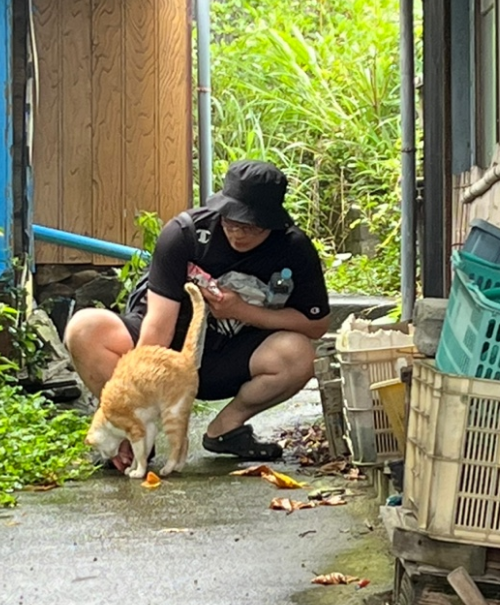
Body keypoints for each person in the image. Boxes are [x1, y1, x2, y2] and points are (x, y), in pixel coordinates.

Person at [64, 159, 331, 471]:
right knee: (84, 328)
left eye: (251, 227)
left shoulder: (293, 248)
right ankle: (133, 435)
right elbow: (157, 332)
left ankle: (226, 430)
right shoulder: (185, 234)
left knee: (300, 355)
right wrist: (130, 407)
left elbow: (316, 324)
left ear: (273, 223)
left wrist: (242, 311)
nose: (238, 234)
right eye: (231, 222)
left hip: (228, 359)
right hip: (168, 350)